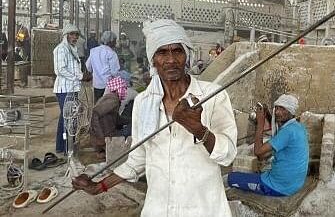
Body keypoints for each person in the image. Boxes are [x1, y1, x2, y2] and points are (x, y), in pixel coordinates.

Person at [72, 19, 237, 217]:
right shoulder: (143, 102)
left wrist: (198, 129)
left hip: (203, 207)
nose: (171, 60)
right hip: (159, 208)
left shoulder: (213, 95)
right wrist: (101, 186)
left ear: (187, 56)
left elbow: (228, 155)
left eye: (177, 51)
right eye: (162, 52)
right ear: (152, 60)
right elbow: (138, 159)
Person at [227, 94, 309, 196]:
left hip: (279, 187)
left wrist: (260, 123)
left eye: (283, 109)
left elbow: (258, 151)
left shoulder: (287, 132)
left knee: (232, 178)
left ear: (290, 111)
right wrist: (268, 114)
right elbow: (274, 130)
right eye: (277, 108)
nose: (278, 112)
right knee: (264, 161)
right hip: (295, 184)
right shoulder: (298, 127)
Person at [53, 24, 88, 155]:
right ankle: (66, 147)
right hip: (64, 89)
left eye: (76, 35)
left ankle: (63, 146)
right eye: (72, 34)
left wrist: (81, 75)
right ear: (66, 35)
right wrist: (79, 76)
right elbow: (60, 70)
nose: (75, 37)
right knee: (68, 118)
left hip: (72, 88)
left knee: (67, 117)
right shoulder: (60, 49)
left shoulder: (72, 49)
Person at [90, 76, 130, 159]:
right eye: (124, 89)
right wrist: (101, 138)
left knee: (131, 124)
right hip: (108, 136)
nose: (125, 91)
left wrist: (131, 119)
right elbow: (94, 114)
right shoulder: (113, 99)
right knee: (132, 128)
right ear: (118, 89)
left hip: (106, 135)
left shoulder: (111, 98)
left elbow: (117, 119)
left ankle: (103, 150)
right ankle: (106, 149)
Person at [86, 31, 120, 103]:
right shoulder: (112, 53)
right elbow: (114, 72)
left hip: (96, 84)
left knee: (97, 105)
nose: (115, 43)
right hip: (108, 85)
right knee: (106, 107)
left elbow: (88, 67)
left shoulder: (94, 51)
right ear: (110, 41)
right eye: (114, 41)